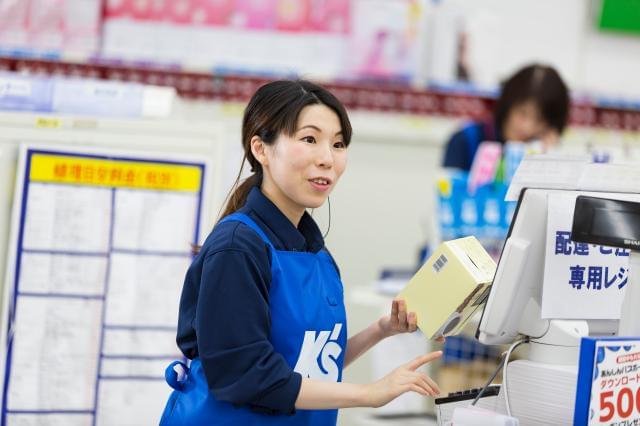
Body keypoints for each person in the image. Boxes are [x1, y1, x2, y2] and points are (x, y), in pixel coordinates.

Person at [160, 80, 442, 425]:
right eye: (309, 139)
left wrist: (381, 331)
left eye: (338, 144)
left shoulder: (319, 256)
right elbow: (249, 376)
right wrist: (368, 393)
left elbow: (310, 365)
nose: (327, 159)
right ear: (261, 149)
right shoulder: (237, 247)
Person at [442, 63, 570, 171]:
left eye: (540, 120)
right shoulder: (465, 140)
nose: (527, 127)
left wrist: (549, 162)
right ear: (508, 103)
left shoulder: (545, 152)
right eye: (522, 113)